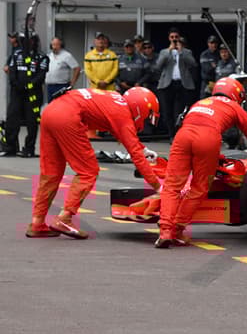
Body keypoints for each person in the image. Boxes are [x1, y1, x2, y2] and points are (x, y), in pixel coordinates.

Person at [156, 77, 247, 248]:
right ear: (236, 94)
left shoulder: (201, 102)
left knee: (172, 186)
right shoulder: (234, 107)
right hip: (208, 138)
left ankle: (165, 230)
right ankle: (178, 230)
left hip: (183, 135)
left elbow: (192, 126)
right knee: (199, 187)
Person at [26, 87, 161, 239]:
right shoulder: (123, 114)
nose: (146, 121)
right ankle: (65, 218)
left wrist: (143, 149)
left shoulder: (115, 101)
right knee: (88, 171)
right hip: (68, 116)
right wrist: (158, 186)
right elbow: (135, 154)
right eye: (148, 115)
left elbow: (130, 142)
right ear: (140, 108)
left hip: (50, 112)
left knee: (51, 173)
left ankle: (37, 223)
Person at [3, 34, 48, 158]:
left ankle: (29, 148)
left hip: (33, 94)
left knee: (32, 120)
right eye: (24, 40)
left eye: (30, 40)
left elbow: (41, 75)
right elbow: (11, 71)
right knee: (12, 118)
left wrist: (29, 86)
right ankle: (10, 147)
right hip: (17, 92)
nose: (28, 43)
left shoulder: (42, 57)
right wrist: (16, 84)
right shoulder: (16, 55)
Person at [155, 28, 199, 138]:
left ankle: (179, 134)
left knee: (179, 111)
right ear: (169, 39)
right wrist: (170, 51)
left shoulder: (186, 52)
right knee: (167, 111)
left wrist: (180, 51)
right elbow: (158, 66)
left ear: (179, 38)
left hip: (182, 84)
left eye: (176, 37)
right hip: (168, 84)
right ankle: (171, 134)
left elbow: (193, 63)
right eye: (172, 37)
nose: (174, 39)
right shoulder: (164, 52)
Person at [45, 36, 80, 103]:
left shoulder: (67, 55)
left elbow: (77, 68)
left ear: (61, 45)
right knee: (51, 106)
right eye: (53, 45)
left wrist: (72, 83)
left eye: (57, 45)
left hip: (61, 86)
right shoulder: (49, 56)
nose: (54, 47)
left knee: (61, 105)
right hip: (50, 86)